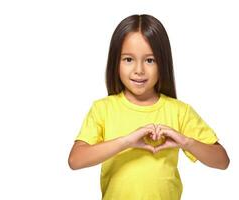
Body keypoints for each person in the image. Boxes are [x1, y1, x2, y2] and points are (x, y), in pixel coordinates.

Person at [68, 14, 230, 200]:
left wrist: (186, 142)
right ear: (116, 62)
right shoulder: (103, 109)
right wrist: (126, 142)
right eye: (128, 59)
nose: (139, 70)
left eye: (150, 60)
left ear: (163, 62)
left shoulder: (179, 111)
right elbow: (75, 160)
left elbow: (222, 161)